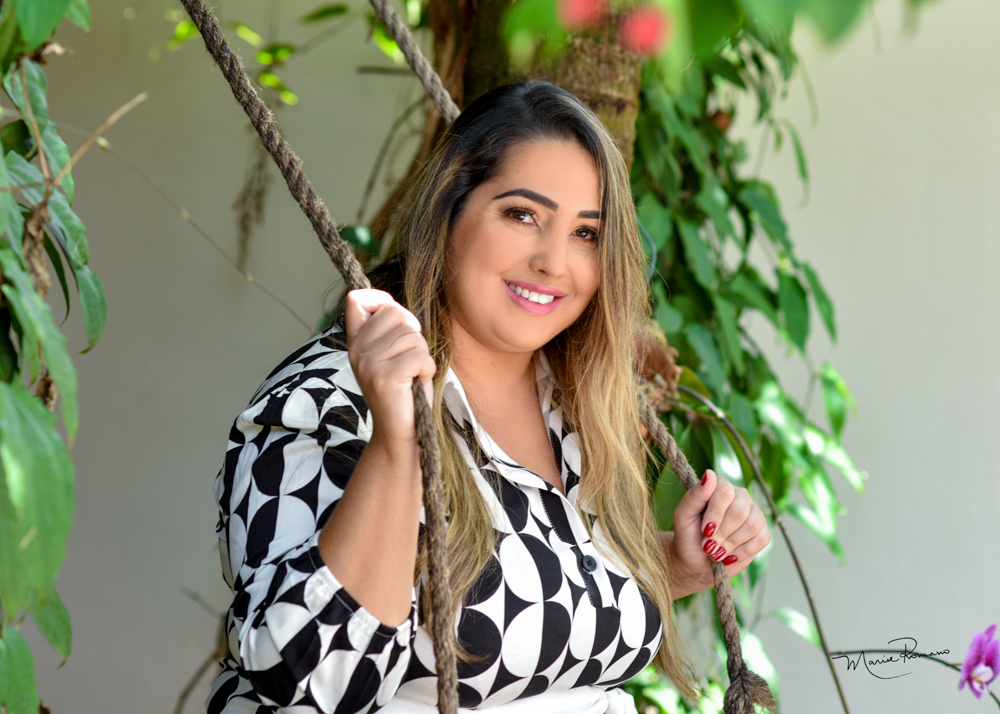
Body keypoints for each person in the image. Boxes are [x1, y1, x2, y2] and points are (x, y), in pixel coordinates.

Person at [206, 81, 770, 714]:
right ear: (450, 208)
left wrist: (674, 565)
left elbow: (538, 604)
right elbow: (306, 682)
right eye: (522, 215)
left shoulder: (576, 401)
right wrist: (397, 446)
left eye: (587, 233)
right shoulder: (326, 402)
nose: (554, 262)